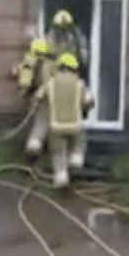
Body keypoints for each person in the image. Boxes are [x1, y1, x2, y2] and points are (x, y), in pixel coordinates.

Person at [32, 52, 93, 188]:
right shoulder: (79, 84)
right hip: (74, 126)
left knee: (58, 152)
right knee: (80, 141)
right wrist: (84, 109)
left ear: (60, 67)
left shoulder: (51, 83)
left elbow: (38, 97)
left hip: (56, 126)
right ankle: (75, 160)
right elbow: (89, 100)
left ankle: (61, 177)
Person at [46, 9, 89, 77]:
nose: (62, 32)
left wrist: (83, 57)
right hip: (55, 71)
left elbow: (84, 54)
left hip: (72, 69)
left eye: (65, 29)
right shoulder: (51, 34)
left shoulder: (76, 34)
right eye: (60, 29)